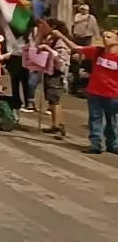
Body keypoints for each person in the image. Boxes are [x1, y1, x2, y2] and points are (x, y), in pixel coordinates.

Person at [50, 25, 118, 154]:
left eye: (109, 37)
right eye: (104, 36)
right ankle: (96, 145)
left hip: (113, 94)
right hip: (95, 93)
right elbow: (76, 48)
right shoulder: (97, 51)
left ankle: (113, 144)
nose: (105, 39)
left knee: (112, 120)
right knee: (95, 118)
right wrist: (61, 36)